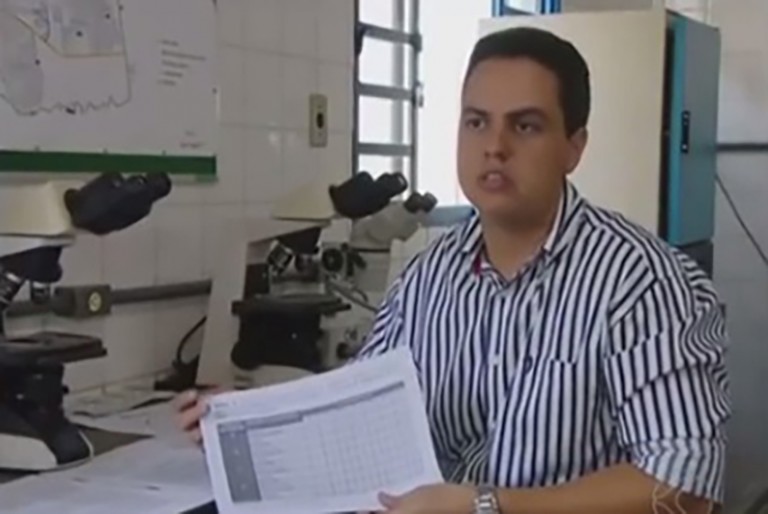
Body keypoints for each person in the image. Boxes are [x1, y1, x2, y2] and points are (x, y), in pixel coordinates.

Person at [175, 27, 730, 514]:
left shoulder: (645, 285)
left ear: (574, 148)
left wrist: (487, 506)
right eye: (476, 122)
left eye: (526, 126)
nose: (494, 147)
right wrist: (248, 423)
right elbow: (359, 419)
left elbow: (684, 490)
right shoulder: (426, 281)